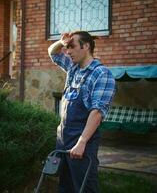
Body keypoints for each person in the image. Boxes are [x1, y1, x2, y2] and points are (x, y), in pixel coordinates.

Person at [48, 31, 116, 193]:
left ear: (86, 46)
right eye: (67, 47)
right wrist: (61, 42)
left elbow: (97, 112)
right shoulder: (73, 68)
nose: (67, 51)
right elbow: (53, 53)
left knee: (84, 187)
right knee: (65, 186)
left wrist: (82, 142)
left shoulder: (102, 74)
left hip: (82, 143)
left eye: (72, 47)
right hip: (63, 139)